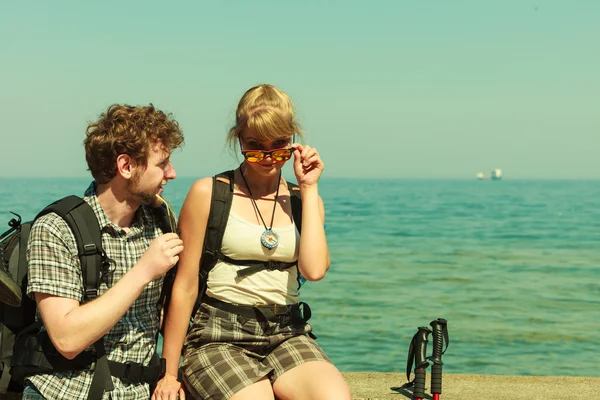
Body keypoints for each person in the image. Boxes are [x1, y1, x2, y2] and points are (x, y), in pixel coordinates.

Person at [154, 84, 351, 400]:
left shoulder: (303, 198)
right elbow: (185, 286)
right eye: (255, 146)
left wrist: (310, 187)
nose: (269, 157)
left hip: (287, 332)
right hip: (218, 334)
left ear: (293, 142)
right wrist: (169, 373)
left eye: (280, 145)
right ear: (238, 139)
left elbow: (314, 271)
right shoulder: (209, 193)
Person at [23, 104, 185, 399]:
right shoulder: (56, 228)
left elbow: (169, 306)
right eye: (162, 163)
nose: (172, 173)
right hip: (66, 391)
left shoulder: (161, 218)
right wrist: (144, 271)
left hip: (140, 390)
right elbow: (67, 338)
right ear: (126, 166)